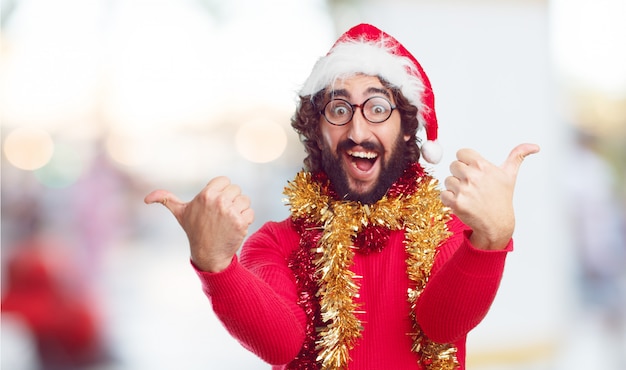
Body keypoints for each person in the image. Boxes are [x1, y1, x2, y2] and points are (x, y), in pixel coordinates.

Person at [145, 24, 539, 370]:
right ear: (317, 130)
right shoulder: (276, 242)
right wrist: (215, 264)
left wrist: (492, 240)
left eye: (378, 107)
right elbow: (280, 342)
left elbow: (441, 325)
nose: (357, 129)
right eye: (338, 109)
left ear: (406, 129)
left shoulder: (448, 229)